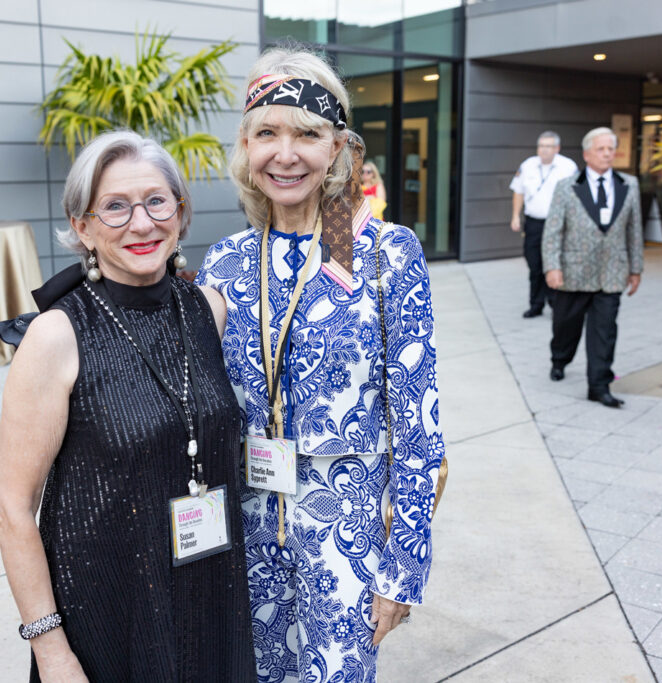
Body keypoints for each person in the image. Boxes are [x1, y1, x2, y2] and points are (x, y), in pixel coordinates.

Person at [196, 48, 444, 681]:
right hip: (246, 532)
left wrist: (402, 569)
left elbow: (418, 427)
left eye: (307, 133)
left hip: (348, 539)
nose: (287, 154)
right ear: (246, 147)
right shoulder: (226, 260)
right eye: (268, 133)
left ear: (337, 148)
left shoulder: (381, 250)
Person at [0, 131, 255, 682]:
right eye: (115, 207)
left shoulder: (209, 310)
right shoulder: (55, 337)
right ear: (82, 226)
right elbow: (13, 509)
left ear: (179, 214)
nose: (141, 223)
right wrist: (51, 652)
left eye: (157, 201)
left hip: (209, 594)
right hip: (109, 614)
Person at [543, 127, 644, 408]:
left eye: (611, 149)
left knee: (605, 331)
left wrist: (636, 269)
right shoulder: (567, 186)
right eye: (601, 149)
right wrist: (552, 266)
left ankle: (599, 386)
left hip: (611, 273)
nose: (607, 154)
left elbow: (634, 230)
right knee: (566, 326)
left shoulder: (630, 185)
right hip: (573, 271)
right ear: (587, 154)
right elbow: (552, 232)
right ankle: (559, 359)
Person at [509, 131, 578, 318]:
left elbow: (576, 196)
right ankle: (536, 304)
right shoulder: (528, 165)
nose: (544, 150)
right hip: (534, 223)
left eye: (548, 146)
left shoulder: (568, 167)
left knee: (555, 263)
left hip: (558, 224)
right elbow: (518, 191)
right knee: (534, 264)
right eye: (541, 146)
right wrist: (515, 216)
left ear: (557, 148)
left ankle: (556, 303)